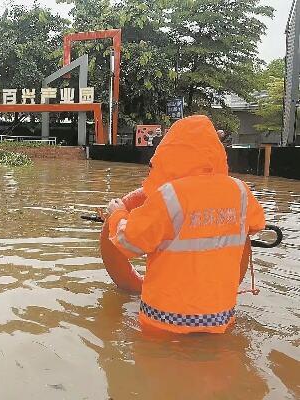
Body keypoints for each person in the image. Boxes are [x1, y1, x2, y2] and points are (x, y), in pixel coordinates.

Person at [105, 115, 265, 334]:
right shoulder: (240, 191)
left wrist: (117, 214)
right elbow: (256, 225)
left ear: (168, 152)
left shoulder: (169, 195)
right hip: (219, 318)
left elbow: (130, 241)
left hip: (164, 320)